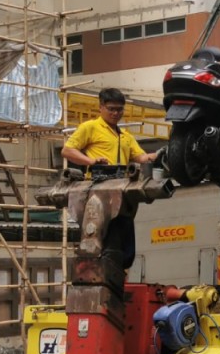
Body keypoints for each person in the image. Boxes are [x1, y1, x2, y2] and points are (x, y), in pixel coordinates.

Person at [60, 88, 160, 291]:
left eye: (120, 110)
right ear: (101, 107)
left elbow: (140, 157)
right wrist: (91, 161)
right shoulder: (90, 128)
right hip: (99, 194)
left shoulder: (125, 137)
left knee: (127, 251)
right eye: (112, 109)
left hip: (121, 194)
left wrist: (156, 156)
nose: (116, 113)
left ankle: (116, 283)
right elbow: (67, 150)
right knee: (108, 244)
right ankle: (104, 283)